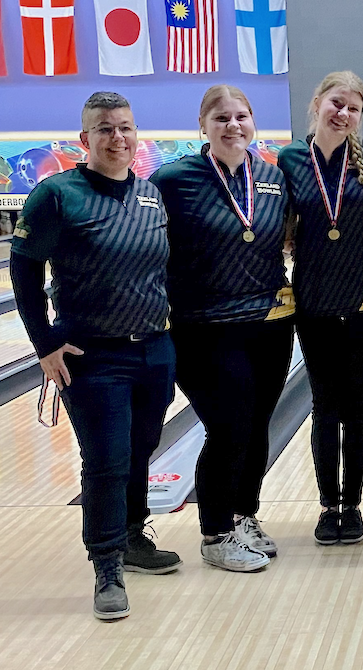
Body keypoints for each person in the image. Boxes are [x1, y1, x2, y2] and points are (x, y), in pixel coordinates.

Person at [11, 92, 180, 620]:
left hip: (154, 348)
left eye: (125, 128)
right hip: (93, 356)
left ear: (137, 136)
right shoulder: (57, 195)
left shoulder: (152, 195)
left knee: (140, 449)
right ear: (85, 140)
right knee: (106, 461)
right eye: (105, 129)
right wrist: (44, 344)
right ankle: (106, 565)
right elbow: (22, 271)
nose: (117, 138)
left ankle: (131, 536)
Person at [151, 85, 294, 572]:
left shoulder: (273, 179)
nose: (233, 125)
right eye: (221, 118)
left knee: (256, 429)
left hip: (271, 324)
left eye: (242, 116)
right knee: (229, 426)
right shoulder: (173, 179)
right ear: (203, 126)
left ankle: (244, 516)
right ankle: (215, 534)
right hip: (203, 327)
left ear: (253, 123)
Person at [278, 71, 363, 545]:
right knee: (325, 406)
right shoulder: (288, 160)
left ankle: (354, 504)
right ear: (317, 102)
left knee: (357, 405)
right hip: (315, 302)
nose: (342, 114)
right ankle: (329, 505)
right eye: (336, 103)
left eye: (353, 108)